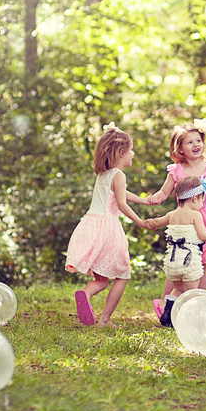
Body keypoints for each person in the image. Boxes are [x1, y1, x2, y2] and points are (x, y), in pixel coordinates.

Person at [146, 119, 206, 318]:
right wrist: (155, 198)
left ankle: (200, 300)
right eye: (189, 142)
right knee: (180, 258)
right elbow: (164, 192)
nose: (196, 145)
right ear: (179, 148)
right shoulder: (177, 170)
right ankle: (164, 300)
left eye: (198, 140)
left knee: (204, 260)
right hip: (186, 219)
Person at [65, 123, 148, 328]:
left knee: (102, 280)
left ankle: (85, 294)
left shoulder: (104, 174)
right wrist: (140, 222)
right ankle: (104, 320)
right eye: (131, 150)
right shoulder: (119, 175)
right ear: (121, 152)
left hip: (91, 224)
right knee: (123, 274)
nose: (133, 153)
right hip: (108, 228)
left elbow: (120, 194)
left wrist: (145, 200)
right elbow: (121, 202)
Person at [145, 176, 206, 327]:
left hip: (173, 263)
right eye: (201, 200)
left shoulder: (172, 214)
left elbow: (155, 222)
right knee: (191, 294)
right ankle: (190, 321)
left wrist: (147, 223)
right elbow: (203, 236)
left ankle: (167, 315)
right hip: (188, 262)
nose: (202, 204)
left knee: (177, 289)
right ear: (194, 198)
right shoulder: (195, 215)